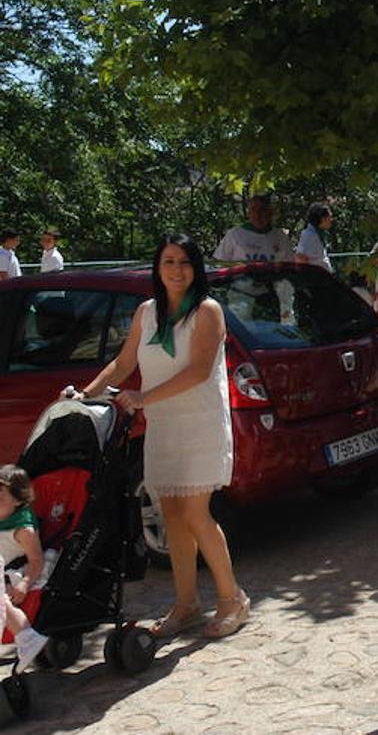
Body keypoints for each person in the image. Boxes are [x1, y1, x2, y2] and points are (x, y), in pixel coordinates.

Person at [79, 234, 248, 638]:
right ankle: (185, 604)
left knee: (195, 513)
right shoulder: (146, 313)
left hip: (200, 425)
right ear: (158, 267)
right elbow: (122, 365)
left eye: (184, 262)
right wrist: (84, 395)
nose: (176, 270)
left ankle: (233, 600)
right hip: (164, 426)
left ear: (196, 268)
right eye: (169, 261)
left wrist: (142, 397)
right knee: (171, 516)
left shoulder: (207, 311)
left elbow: (199, 372)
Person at [0, 465, 48, 671]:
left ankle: (26, 634)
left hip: (17, 574)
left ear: (18, 501)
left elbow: (36, 560)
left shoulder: (22, 529)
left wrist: (25, 584)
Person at [212, 194, 293, 262]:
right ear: (248, 213)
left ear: (270, 213)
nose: (257, 215)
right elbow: (218, 263)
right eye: (253, 210)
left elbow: (289, 267)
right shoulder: (235, 234)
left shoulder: (281, 237)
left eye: (262, 210)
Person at [295, 203, 334, 271]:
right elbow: (300, 258)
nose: (331, 219)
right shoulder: (308, 235)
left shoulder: (318, 234)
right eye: (329, 217)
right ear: (322, 219)